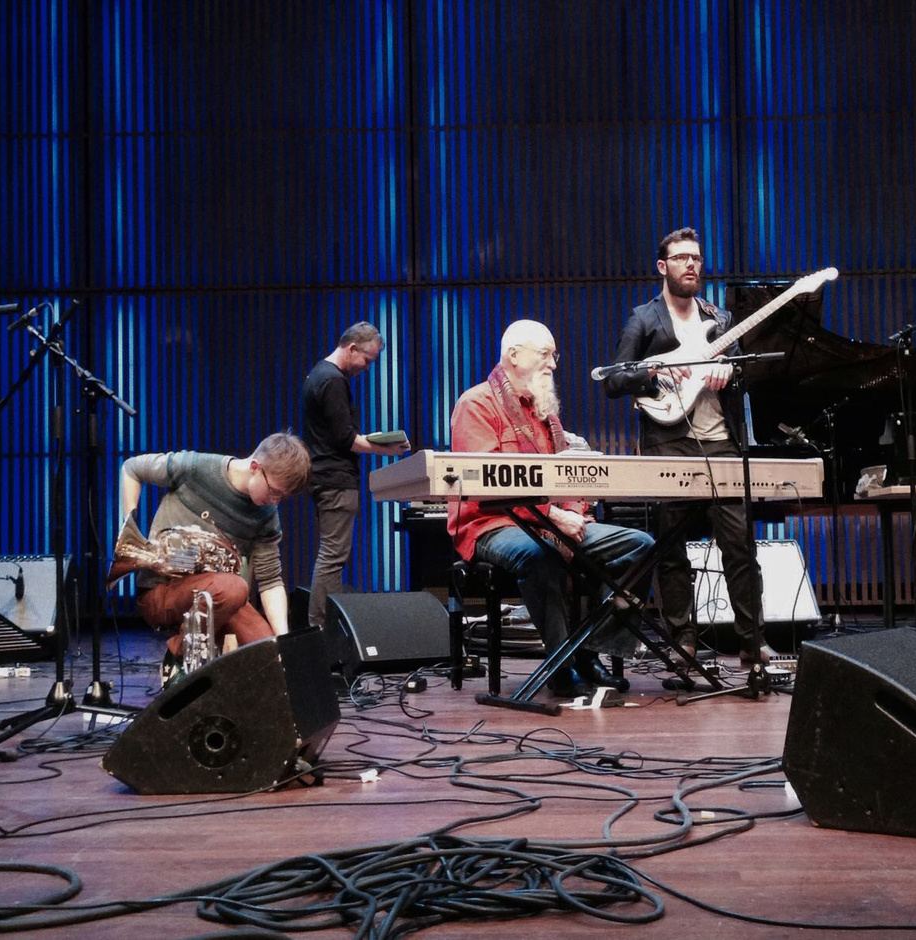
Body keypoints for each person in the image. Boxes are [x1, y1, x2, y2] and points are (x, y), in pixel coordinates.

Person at [448, 319, 656, 698]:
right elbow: (488, 486)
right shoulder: (475, 404)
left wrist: (573, 511)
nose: (554, 364)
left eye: (554, 355)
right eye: (545, 354)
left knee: (640, 546)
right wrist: (553, 517)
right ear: (514, 355)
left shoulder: (544, 411)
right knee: (542, 554)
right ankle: (561, 666)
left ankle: (590, 649)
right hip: (491, 525)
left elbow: (568, 474)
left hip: (551, 520)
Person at [603, 226, 775, 668]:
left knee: (741, 547)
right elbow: (614, 380)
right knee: (671, 549)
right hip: (668, 443)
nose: (691, 265)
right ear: (663, 267)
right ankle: (684, 641)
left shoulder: (721, 320)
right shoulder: (644, 318)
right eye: (681, 258)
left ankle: (752, 642)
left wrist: (730, 372)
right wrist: (653, 370)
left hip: (721, 442)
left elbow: (747, 373)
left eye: (696, 258)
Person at [119, 432, 311, 682]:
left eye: (282, 497)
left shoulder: (266, 516)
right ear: (255, 467)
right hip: (161, 591)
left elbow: (271, 581)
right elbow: (132, 468)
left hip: (219, 599)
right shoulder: (195, 468)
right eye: (274, 492)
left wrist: (283, 640)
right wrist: (131, 529)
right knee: (234, 587)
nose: (275, 502)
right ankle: (178, 656)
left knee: (271, 660)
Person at [302, 322, 410, 631]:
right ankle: (321, 631)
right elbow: (346, 438)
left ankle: (322, 629)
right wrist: (387, 449)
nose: (367, 367)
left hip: (322, 476)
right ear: (351, 348)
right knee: (332, 556)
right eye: (367, 359)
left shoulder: (318, 373)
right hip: (335, 479)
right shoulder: (333, 380)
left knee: (331, 554)